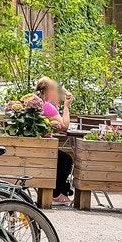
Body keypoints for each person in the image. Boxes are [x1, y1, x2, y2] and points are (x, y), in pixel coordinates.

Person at [35, 77, 75, 207]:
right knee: (66, 161)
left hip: (39, 147)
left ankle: (59, 192)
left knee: (62, 159)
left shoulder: (41, 104)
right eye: (55, 90)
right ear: (49, 91)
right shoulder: (47, 106)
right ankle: (55, 194)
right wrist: (67, 107)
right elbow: (64, 126)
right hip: (45, 149)